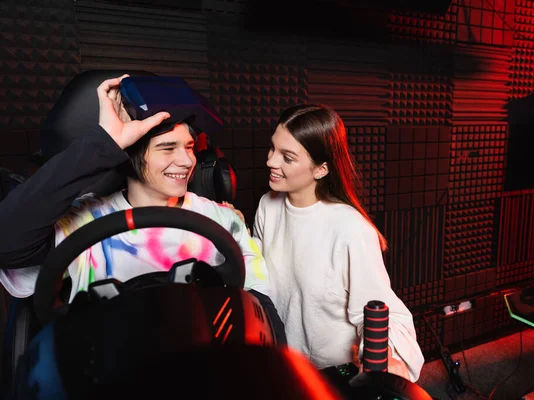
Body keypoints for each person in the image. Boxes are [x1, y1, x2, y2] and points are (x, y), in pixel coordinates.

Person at [0, 74, 285, 343]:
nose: (186, 161)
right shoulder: (84, 221)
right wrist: (104, 144)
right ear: (132, 153)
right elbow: (7, 243)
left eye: (189, 147)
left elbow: (261, 307)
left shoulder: (222, 220)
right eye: (167, 148)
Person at [226, 104, 424, 382]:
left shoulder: (351, 229)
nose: (271, 162)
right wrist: (238, 235)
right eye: (272, 149)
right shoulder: (267, 205)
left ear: (321, 169)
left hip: (335, 378)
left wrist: (385, 357)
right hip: (285, 365)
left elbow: (384, 314)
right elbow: (262, 276)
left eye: (288, 157)